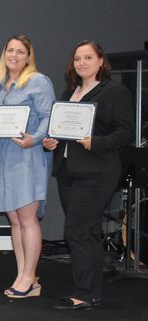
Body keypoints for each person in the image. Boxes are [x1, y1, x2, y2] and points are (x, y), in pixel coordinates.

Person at [44, 41, 133, 310]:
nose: (81, 62)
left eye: (88, 57)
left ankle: (83, 292)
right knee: (89, 232)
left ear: (101, 61)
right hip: (69, 172)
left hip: (97, 172)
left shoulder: (114, 92)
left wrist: (97, 142)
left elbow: (125, 131)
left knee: (77, 231)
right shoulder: (71, 91)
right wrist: (52, 141)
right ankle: (92, 291)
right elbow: (62, 130)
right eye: (77, 58)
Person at [0, 34, 55, 298]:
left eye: (19, 51)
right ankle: (22, 275)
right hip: (4, 156)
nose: (13, 56)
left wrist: (34, 139)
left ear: (28, 57)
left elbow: (49, 116)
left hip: (28, 156)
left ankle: (30, 277)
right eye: (9, 51)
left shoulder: (38, 81)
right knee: (14, 220)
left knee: (27, 218)